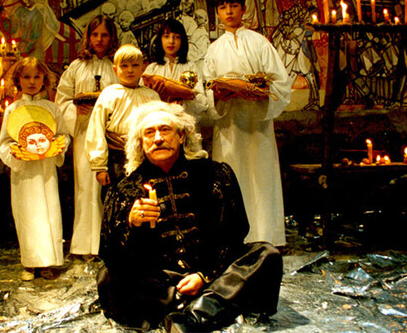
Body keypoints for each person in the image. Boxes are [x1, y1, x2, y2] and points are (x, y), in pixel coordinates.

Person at [97, 101, 283, 332]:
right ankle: (206, 305)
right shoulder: (124, 190)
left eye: (165, 130)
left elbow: (235, 233)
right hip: (159, 279)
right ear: (141, 143)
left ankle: (190, 316)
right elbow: (110, 253)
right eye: (149, 133)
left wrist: (205, 276)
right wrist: (130, 224)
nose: (158, 138)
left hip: (213, 272)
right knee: (107, 276)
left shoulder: (216, 174)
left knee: (266, 254)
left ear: (181, 136)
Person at [204, 0, 292, 246]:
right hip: (230, 125)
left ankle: (266, 236)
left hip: (257, 123)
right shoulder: (214, 50)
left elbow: (280, 82)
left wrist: (261, 93)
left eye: (233, 6)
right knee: (232, 176)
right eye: (223, 7)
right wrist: (219, 94)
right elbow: (207, 87)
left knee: (261, 178)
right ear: (218, 13)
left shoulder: (259, 42)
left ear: (243, 9)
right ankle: (232, 239)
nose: (229, 12)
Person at [0, 57, 69, 281]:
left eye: (37, 77)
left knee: (49, 212)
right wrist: (17, 154)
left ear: (44, 80)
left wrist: (56, 147)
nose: (31, 82)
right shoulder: (13, 109)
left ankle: (47, 262)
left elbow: (63, 135)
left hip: (46, 170)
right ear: (18, 80)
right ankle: (29, 262)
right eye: (26, 77)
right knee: (27, 214)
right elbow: (3, 142)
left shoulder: (52, 108)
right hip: (24, 172)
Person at [55, 15, 119, 259]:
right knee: (85, 187)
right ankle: (84, 246)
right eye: (95, 35)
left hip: (112, 135)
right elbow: (61, 100)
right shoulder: (76, 67)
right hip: (84, 133)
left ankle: (109, 244)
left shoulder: (117, 65)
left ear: (112, 38)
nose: (99, 39)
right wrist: (76, 109)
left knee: (110, 188)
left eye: (104, 35)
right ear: (88, 37)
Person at [85, 44, 160, 197]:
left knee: (145, 197)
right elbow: (96, 129)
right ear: (115, 69)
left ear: (143, 68)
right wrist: (100, 166)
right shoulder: (109, 94)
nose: (130, 70)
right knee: (116, 198)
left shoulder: (152, 96)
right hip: (116, 159)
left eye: (135, 65)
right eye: (124, 66)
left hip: (145, 157)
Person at [145, 18, 210, 124]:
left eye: (176, 37)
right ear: (160, 39)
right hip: (159, 123)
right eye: (166, 36)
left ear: (182, 41)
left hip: (186, 122)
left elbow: (202, 102)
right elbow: (142, 101)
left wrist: (187, 97)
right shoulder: (152, 69)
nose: (171, 41)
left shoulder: (191, 67)